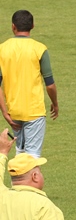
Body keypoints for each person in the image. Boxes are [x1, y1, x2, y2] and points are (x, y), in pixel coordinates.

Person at [0, 10, 58, 158]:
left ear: (13, 27)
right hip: (34, 112)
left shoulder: (2, 49)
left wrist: (5, 112)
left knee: (20, 155)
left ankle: (18, 181)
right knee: (32, 158)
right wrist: (55, 103)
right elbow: (50, 84)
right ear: (33, 25)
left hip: (13, 112)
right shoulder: (40, 49)